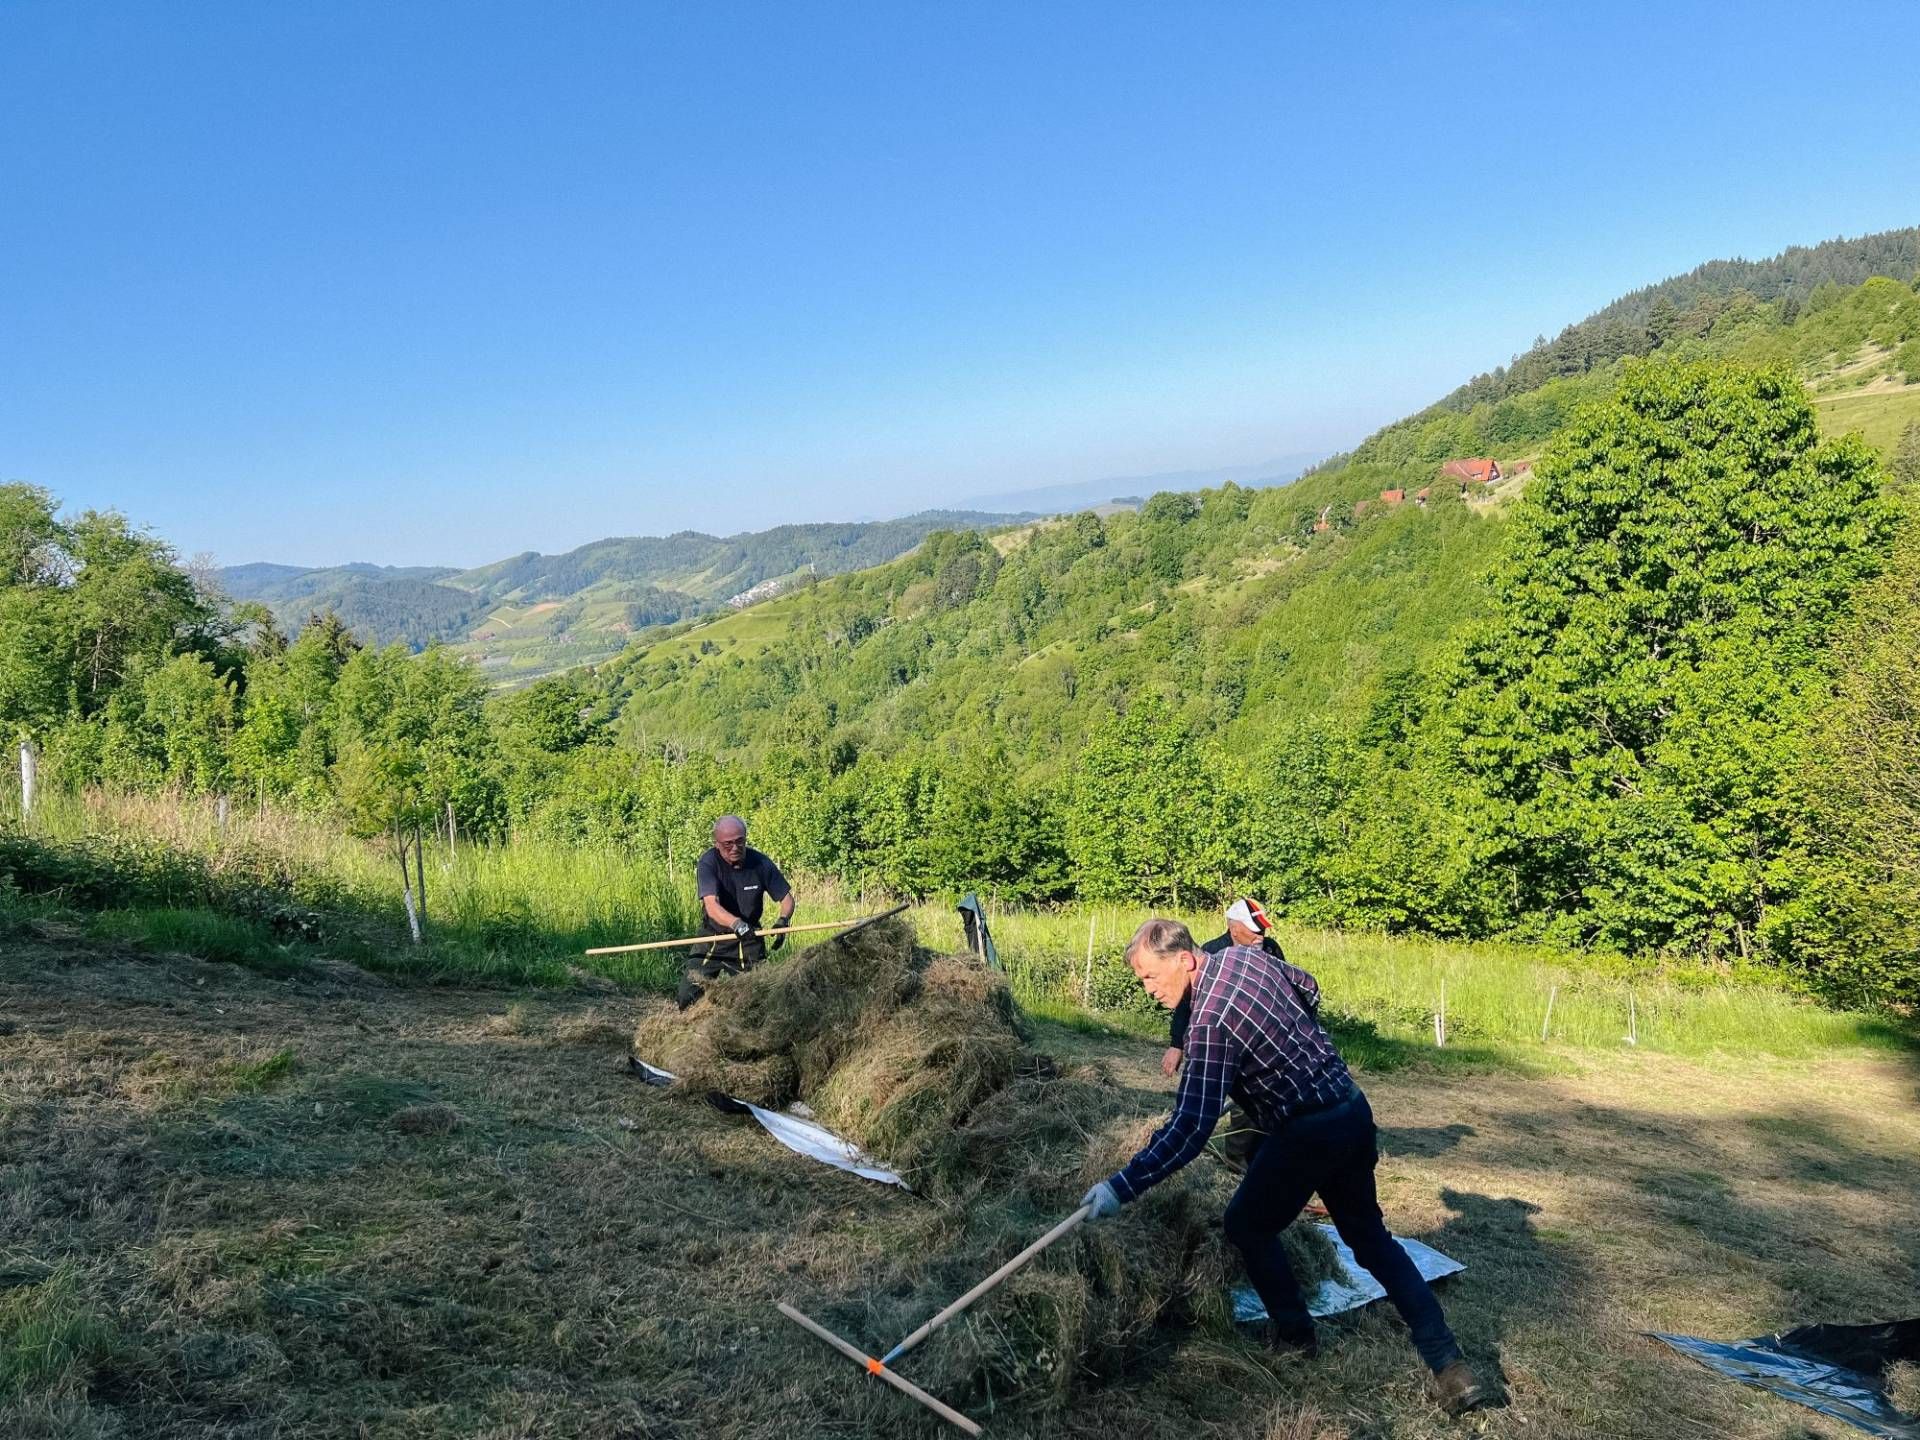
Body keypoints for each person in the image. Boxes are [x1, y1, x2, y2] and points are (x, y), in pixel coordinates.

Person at [1080, 918, 1489, 1416]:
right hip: (1350, 1108)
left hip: (1306, 1130)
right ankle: (1449, 1364)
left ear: (1183, 959)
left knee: (1245, 1225)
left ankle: (1296, 1338)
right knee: (1371, 1240)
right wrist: (1292, 1043)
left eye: (1149, 976)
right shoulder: (1249, 958)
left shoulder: (1207, 1023)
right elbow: (1309, 987)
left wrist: (1120, 1187)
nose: (1148, 990)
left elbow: (1189, 1129)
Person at [677, 815, 795, 1008]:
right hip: (714, 937)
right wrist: (737, 924)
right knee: (687, 997)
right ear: (717, 844)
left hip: (749, 938)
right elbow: (712, 906)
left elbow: (787, 899)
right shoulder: (708, 863)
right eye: (728, 844)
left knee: (759, 1001)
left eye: (740, 842)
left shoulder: (760, 863)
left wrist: (783, 920)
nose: (735, 848)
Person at [1163, 897, 1283, 1077]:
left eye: (1263, 929)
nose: (1261, 935)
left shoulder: (1271, 950)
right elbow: (1188, 999)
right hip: (1223, 1035)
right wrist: (1176, 1045)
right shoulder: (1212, 952)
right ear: (1234, 929)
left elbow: (1284, 992)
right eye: (1255, 929)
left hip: (1261, 1034)